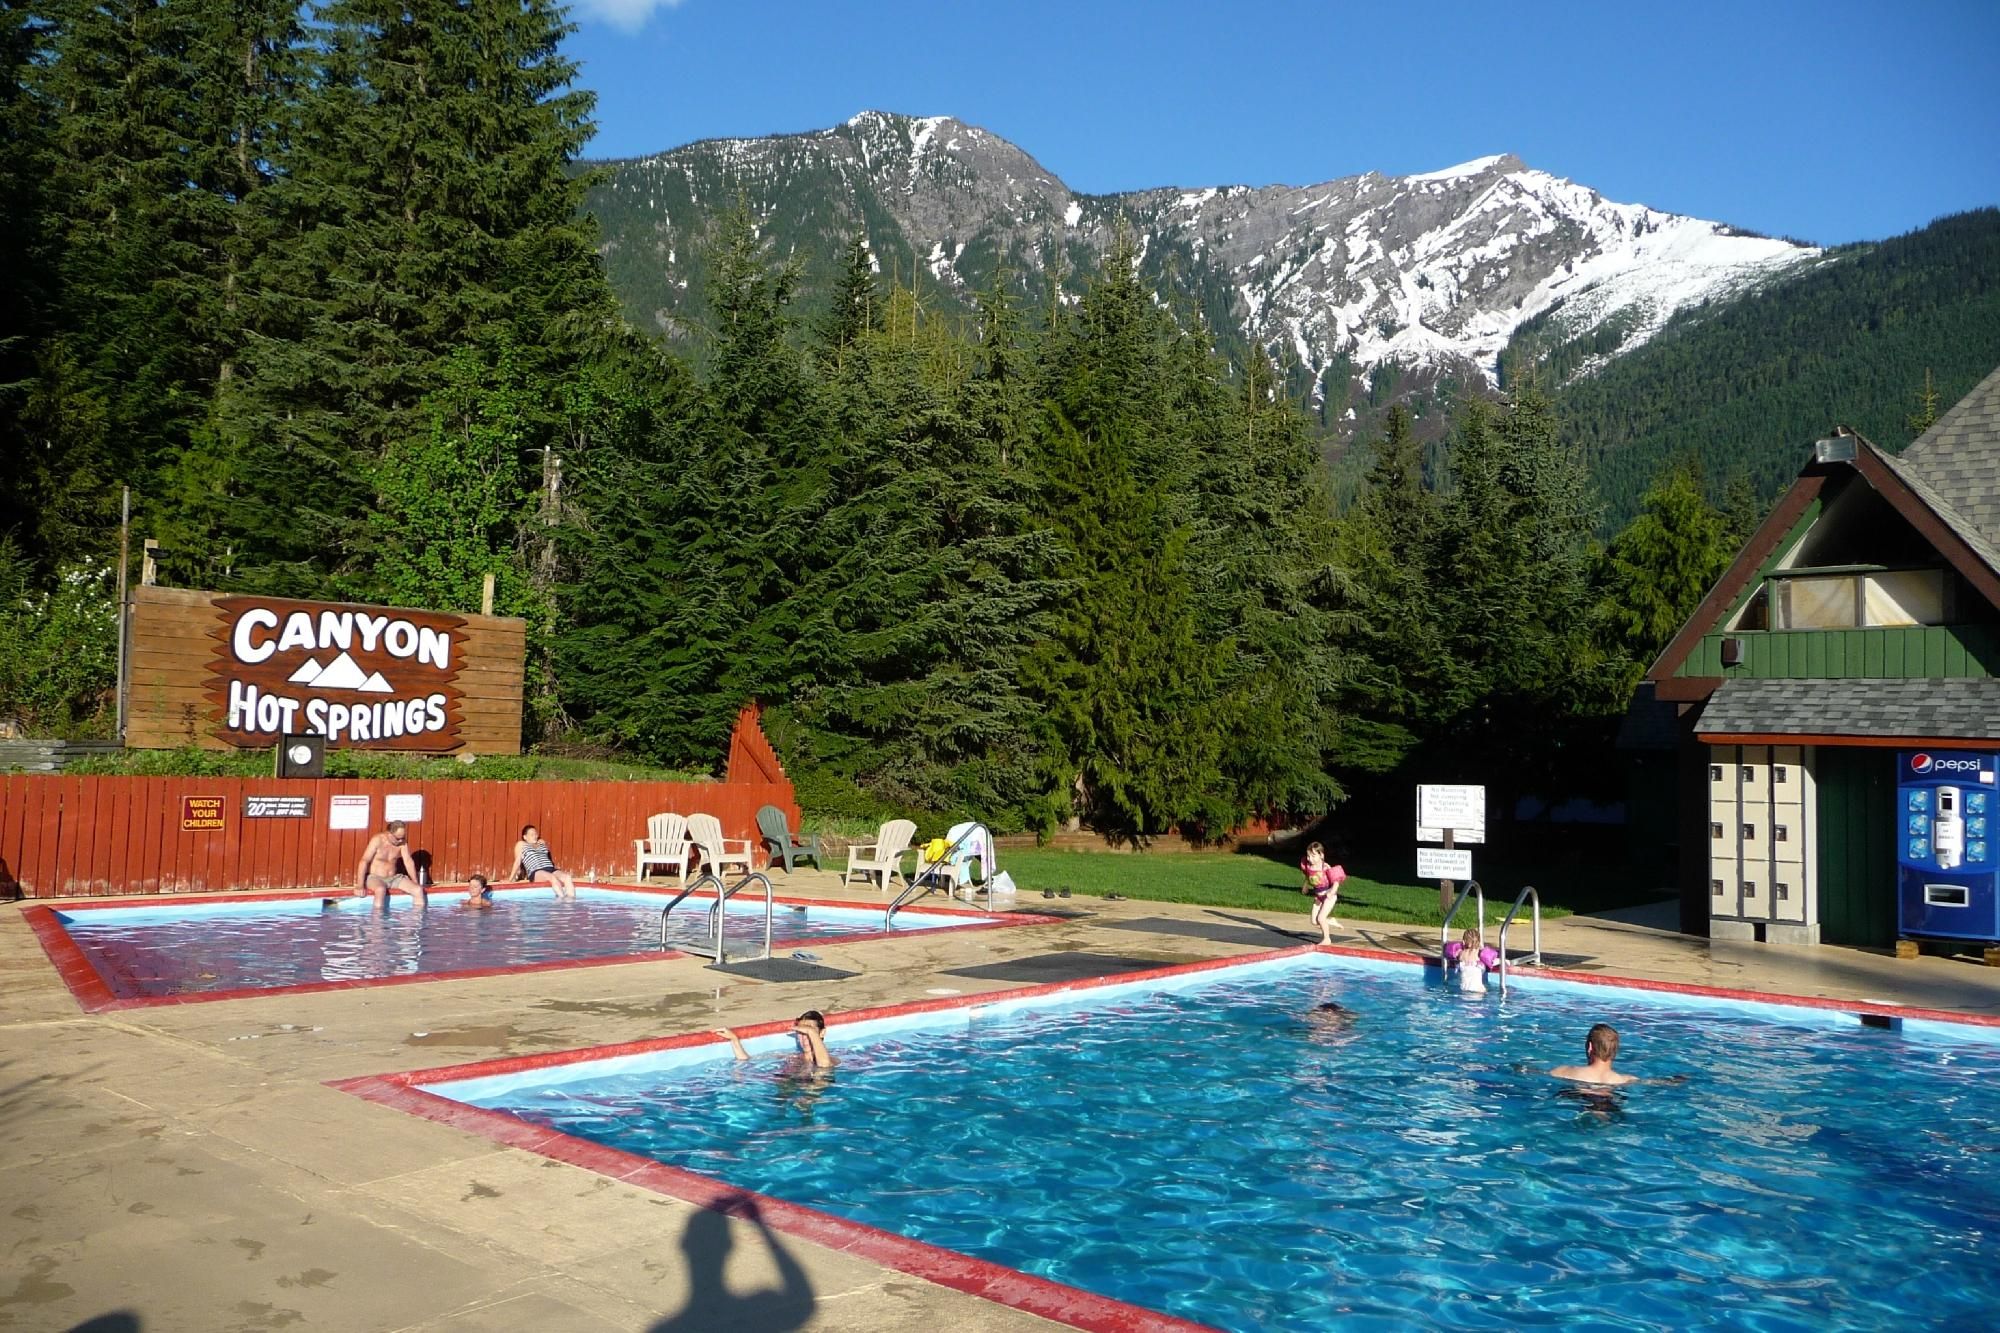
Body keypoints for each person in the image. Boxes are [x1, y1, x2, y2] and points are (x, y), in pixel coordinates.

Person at [1547, 1023, 1685, 1087]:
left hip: (1579, 1097)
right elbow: (1653, 1082)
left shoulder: (1565, 1071)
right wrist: (1673, 1080)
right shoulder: (1623, 1080)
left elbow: (1536, 1072)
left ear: (1590, 1047)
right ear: (1615, 1050)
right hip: (1610, 1100)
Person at [717, 1010, 838, 1071]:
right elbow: (747, 1061)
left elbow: (823, 1066)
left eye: (808, 1033)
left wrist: (811, 1032)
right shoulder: (793, 1057)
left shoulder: (831, 1060)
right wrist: (734, 1039)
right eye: (800, 1033)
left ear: (821, 1033)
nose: (804, 1038)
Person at [356, 819, 425, 908]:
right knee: (380, 890)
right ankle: (377, 920)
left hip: (394, 878)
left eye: (403, 837)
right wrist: (360, 885)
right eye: (398, 838)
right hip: (376, 878)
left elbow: (408, 861)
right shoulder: (377, 840)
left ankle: (418, 920)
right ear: (389, 834)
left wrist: (415, 881)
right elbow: (364, 861)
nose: (401, 840)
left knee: (418, 890)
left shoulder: (402, 842)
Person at [511, 823, 577, 898]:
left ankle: (570, 903)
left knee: (567, 877)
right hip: (536, 871)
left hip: (550, 868)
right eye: (532, 835)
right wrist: (511, 879)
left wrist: (541, 843)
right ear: (525, 837)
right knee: (552, 878)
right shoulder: (521, 844)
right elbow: (517, 862)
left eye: (536, 834)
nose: (535, 836)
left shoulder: (541, 843)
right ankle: (562, 901)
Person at [1300, 841, 1346, 945]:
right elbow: (1308, 876)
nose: (1309, 858)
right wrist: (1305, 886)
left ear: (1321, 855)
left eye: (1313, 856)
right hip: (1318, 897)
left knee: (1320, 918)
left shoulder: (1325, 867)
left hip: (1329, 896)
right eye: (1308, 856)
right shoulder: (1308, 866)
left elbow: (1336, 882)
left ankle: (1327, 939)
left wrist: (1332, 892)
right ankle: (1330, 921)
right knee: (1314, 921)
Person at [1443, 926, 1497, 993]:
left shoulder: (1460, 954)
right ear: (1479, 942)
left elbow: (1451, 954)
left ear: (1463, 942)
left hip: (1464, 988)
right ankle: (1507, 962)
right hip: (1478, 990)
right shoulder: (1479, 953)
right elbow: (1491, 959)